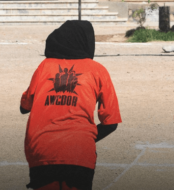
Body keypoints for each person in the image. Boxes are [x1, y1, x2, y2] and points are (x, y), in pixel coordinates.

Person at [20, 20, 122, 190]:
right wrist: (84, 138)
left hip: (41, 149)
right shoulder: (98, 70)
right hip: (80, 151)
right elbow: (111, 123)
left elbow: (24, 107)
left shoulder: (44, 66)